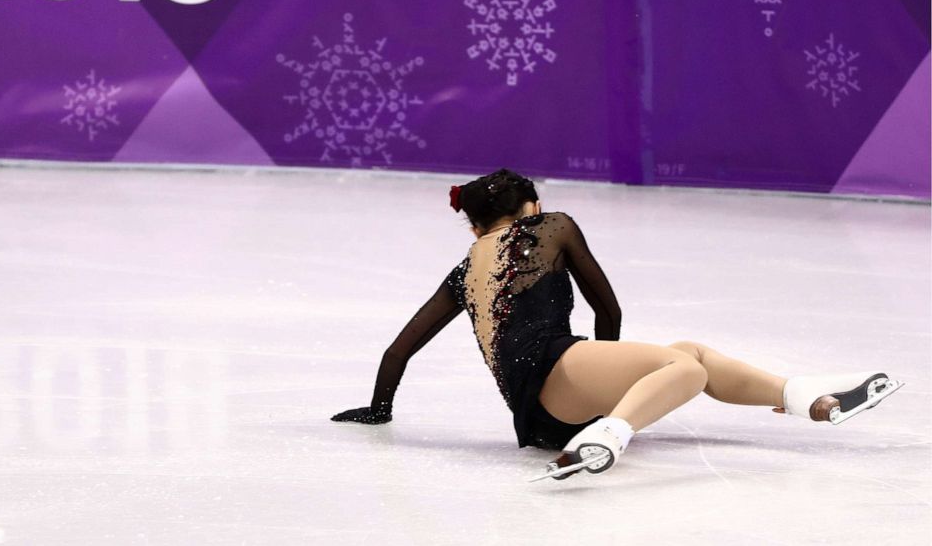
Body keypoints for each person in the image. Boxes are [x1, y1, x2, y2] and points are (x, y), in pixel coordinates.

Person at [331, 168, 903, 481]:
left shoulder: (463, 271)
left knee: (690, 352)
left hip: (537, 413)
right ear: (530, 207)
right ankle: (609, 436)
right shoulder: (550, 227)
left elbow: (398, 350)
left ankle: (811, 400)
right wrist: (613, 391)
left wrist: (380, 410)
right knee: (681, 367)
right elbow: (608, 309)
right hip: (564, 377)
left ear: (475, 224)